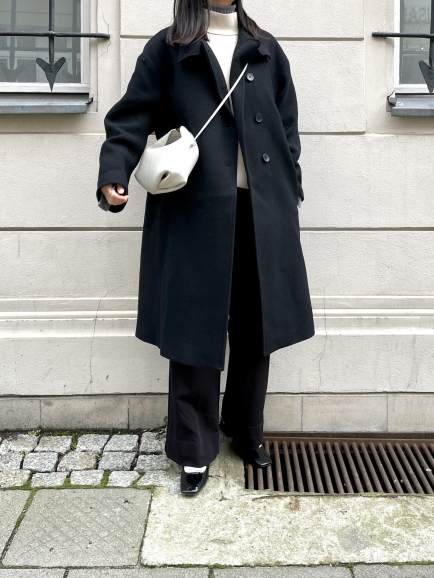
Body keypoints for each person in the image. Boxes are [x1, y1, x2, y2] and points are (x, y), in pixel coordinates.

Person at [95, 0, 314, 496]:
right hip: (195, 213)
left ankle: (246, 430)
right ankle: (194, 450)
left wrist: (291, 184)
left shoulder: (266, 49)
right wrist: (114, 172)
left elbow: (288, 127)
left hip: (263, 211)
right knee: (195, 330)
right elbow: (131, 115)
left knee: (257, 326)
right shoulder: (169, 48)